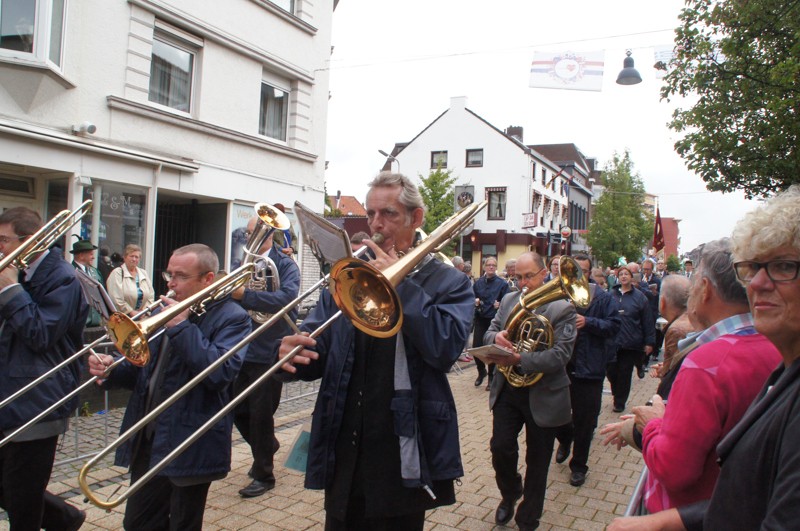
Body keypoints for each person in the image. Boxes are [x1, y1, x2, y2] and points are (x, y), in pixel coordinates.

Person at [278, 172, 473, 530]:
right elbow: (319, 348)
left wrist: (400, 287)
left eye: (388, 214)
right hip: (344, 442)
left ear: (416, 218)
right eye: (370, 214)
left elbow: (445, 349)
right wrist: (294, 354)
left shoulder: (450, 281)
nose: (376, 225)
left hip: (401, 447)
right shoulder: (351, 275)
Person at [608, 185, 800, 530]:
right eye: (751, 269)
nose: (757, 283)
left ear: (706, 289)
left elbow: (676, 469)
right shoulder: (777, 353)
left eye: (784, 266)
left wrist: (653, 425)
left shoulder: (709, 361)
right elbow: (754, 494)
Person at [88, 244, 251, 530]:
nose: (171, 283)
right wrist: (112, 369)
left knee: (183, 524)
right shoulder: (165, 311)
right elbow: (144, 370)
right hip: (150, 437)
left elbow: (220, 373)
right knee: (137, 522)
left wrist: (181, 327)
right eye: (169, 274)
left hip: (190, 441)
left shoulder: (233, 318)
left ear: (207, 279)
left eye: (181, 276)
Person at [0, 207, 88, 530]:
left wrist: (10, 290)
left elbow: (40, 334)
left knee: (23, 498)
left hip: (39, 397)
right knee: (12, 487)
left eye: (3, 240)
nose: (0, 247)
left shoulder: (62, 277)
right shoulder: (19, 270)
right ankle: (64, 518)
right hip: (9, 392)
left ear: (30, 241)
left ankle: (62, 519)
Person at [485, 251, 577, 530]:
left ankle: (529, 517)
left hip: (544, 391)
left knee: (537, 460)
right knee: (500, 447)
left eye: (529, 277)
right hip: (508, 389)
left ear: (544, 274)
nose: (523, 283)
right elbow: (489, 332)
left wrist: (520, 359)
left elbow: (561, 355)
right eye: (518, 277)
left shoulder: (563, 308)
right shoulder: (510, 300)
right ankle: (511, 491)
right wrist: (496, 337)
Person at [230, 219, 300, 498]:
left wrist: (246, 295)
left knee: (261, 414)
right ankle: (267, 446)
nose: (250, 237)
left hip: (271, 348)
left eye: (256, 232)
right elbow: (231, 297)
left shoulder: (286, 265)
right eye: (249, 232)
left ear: (271, 234)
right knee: (237, 410)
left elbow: (286, 299)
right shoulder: (243, 263)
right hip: (243, 346)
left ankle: (264, 474)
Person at [554, 254, 620, 487]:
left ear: (590, 273)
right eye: (574, 271)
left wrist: (588, 322)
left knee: (585, 421)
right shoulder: (560, 294)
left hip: (589, 368)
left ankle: (579, 466)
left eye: (582, 270)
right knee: (557, 415)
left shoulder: (603, 298)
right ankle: (565, 439)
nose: (578, 275)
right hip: (561, 366)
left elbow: (614, 326)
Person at [606, 264, 655, 412]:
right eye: (621, 274)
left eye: (626, 274)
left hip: (630, 342)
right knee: (611, 371)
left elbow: (647, 320)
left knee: (625, 373)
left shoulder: (639, 297)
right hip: (612, 341)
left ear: (631, 277)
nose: (623, 276)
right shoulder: (611, 295)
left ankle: (620, 402)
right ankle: (616, 391)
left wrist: (649, 342)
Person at [472, 256, 510, 389]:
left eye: (494, 265)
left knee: (491, 349)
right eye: (489, 265)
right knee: (476, 347)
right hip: (481, 318)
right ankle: (481, 370)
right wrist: (475, 302)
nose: (491, 267)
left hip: (494, 320)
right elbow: (472, 297)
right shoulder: (478, 283)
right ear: (484, 267)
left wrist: (500, 305)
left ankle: (491, 377)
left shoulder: (502, 284)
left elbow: (507, 301)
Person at [107, 244, 155, 317]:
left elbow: (151, 296)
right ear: (125, 257)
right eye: (131, 256)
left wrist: (144, 311)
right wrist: (131, 312)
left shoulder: (143, 273)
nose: (134, 259)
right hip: (123, 318)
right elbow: (116, 298)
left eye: (136, 257)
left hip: (142, 317)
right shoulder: (117, 273)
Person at [70, 237, 105, 327]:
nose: (93, 257)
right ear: (81, 255)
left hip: (97, 324)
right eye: (90, 254)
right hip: (78, 325)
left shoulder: (96, 272)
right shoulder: (70, 273)